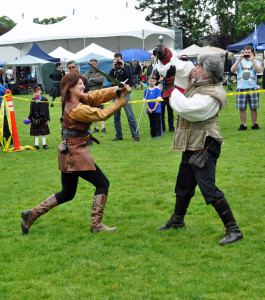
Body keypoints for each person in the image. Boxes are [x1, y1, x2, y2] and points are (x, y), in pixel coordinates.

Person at [21, 73, 131, 235]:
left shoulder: (73, 101)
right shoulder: (76, 108)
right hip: (76, 153)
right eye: (80, 84)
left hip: (69, 151)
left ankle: (32, 214)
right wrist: (121, 100)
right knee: (102, 183)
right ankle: (96, 225)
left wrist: (116, 90)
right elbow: (101, 114)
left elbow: (94, 96)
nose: (84, 86)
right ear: (70, 88)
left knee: (67, 192)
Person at [155, 44, 243, 246]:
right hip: (192, 143)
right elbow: (179, 67)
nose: (195, 68)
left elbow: (189, 109)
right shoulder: (199, 81)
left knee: (208, 189)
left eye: (199, 66)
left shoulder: (212, 93)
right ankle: (177, 221)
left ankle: (233, 229)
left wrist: (170, 90)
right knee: (183, 183)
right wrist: (166, 56)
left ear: (208, 73)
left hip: (205, 144)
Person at [108, 53, 140, 142]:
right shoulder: (114, 69)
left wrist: (122, 67)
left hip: (125, 94)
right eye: (116, 60)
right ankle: (119, 135)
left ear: (122, 59)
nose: (117, 62)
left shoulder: (127, 67)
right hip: (116, 94)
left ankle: (135, 135)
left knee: (130, 116)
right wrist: (113, 68)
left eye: (118, 60)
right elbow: (109, 79)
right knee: (116, 117)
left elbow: (130, 77)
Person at [231, 45, 262, 130]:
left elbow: (259, 71)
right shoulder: (239, 61)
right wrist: (238, 60)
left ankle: (254, 124)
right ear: (243, 53)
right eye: (245, 52)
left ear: (252, 53)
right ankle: (243, 124)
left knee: (254, 107)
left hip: (253, 87)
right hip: (241, 88)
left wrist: (252, 61)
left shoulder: (255, 61)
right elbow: (232, 70)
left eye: (249, 52)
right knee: (242, 108)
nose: (247, 54)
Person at [84, 58, 106, 133]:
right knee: (93, 112)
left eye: (94, 64)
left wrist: (91, 80)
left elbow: (101, 80)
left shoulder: (101, 72)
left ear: (97, 64)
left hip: (99, 95)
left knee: (101, 111)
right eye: (91, 64)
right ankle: (96, 128)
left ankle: (103, 128)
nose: (93, 65)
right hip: (91, 95)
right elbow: (85, 82)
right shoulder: (87, 73)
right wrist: (96, 80)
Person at [28, 84, 50, 150]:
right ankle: (36, 145)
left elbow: (47, 110)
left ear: (40, 91)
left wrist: (48, 118)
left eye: (37, 92)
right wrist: (29, 117)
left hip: (43, 118)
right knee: (36, 133)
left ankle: (44, 144)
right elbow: (31, 109)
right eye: (34, 93)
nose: (36, 94)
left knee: (43, 132)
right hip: (34, 118)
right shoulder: (33, 100)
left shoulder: (45, 99)